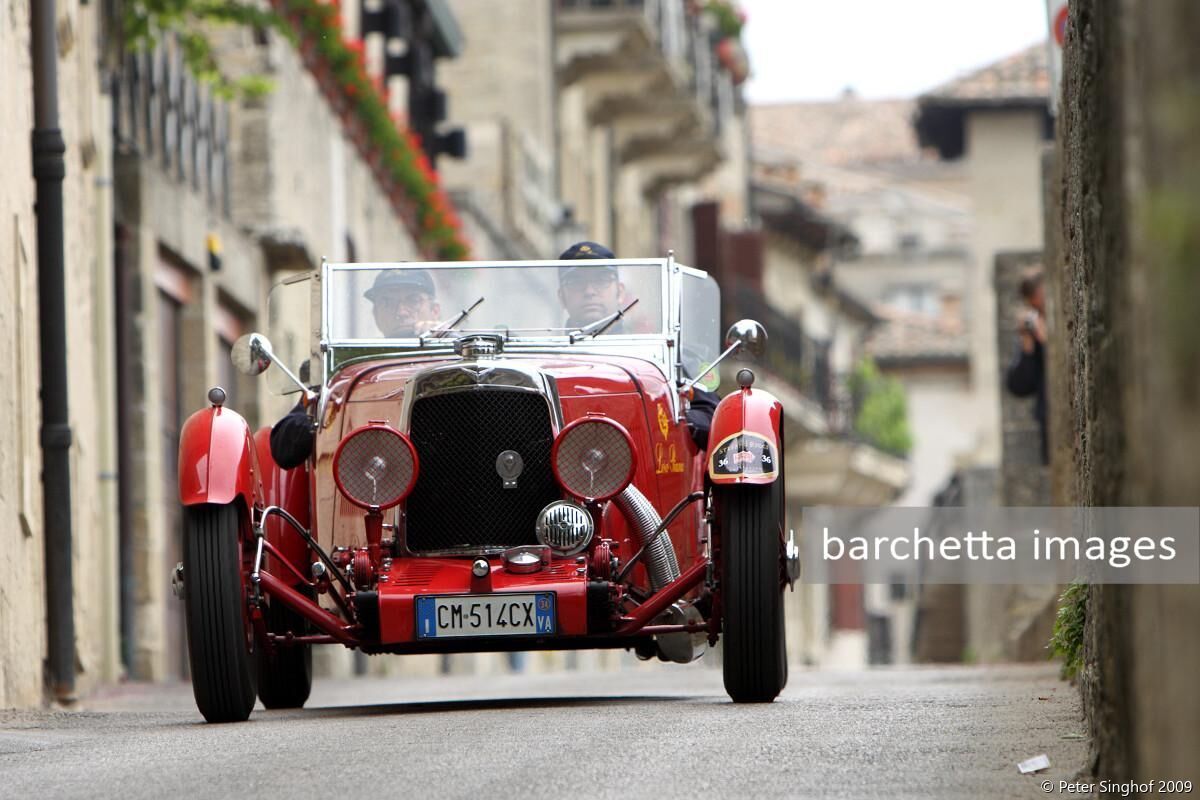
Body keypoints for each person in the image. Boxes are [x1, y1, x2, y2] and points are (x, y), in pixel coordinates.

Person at [269, 268, 440, 469]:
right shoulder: (352, 369)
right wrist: (323, 415)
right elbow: (284, 449)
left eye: (413, 300)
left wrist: (443, 339)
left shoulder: (456, 357)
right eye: (387, 302)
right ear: (375, 313)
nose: (401, 311)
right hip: (371, 477)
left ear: (434, 311)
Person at [558, 241, 719, 449]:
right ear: (562, 297)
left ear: (620, 292)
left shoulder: (661, 357)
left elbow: (710, 416)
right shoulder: (540, 360)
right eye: (576, 282)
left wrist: (675, 416)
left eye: (601, 280)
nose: (589, 291)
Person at [1005, 267, 1048, 464]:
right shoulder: (1031, 331)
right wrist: (1028, 346)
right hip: (1050, 416)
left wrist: (1046, 339)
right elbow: (1019, 386)